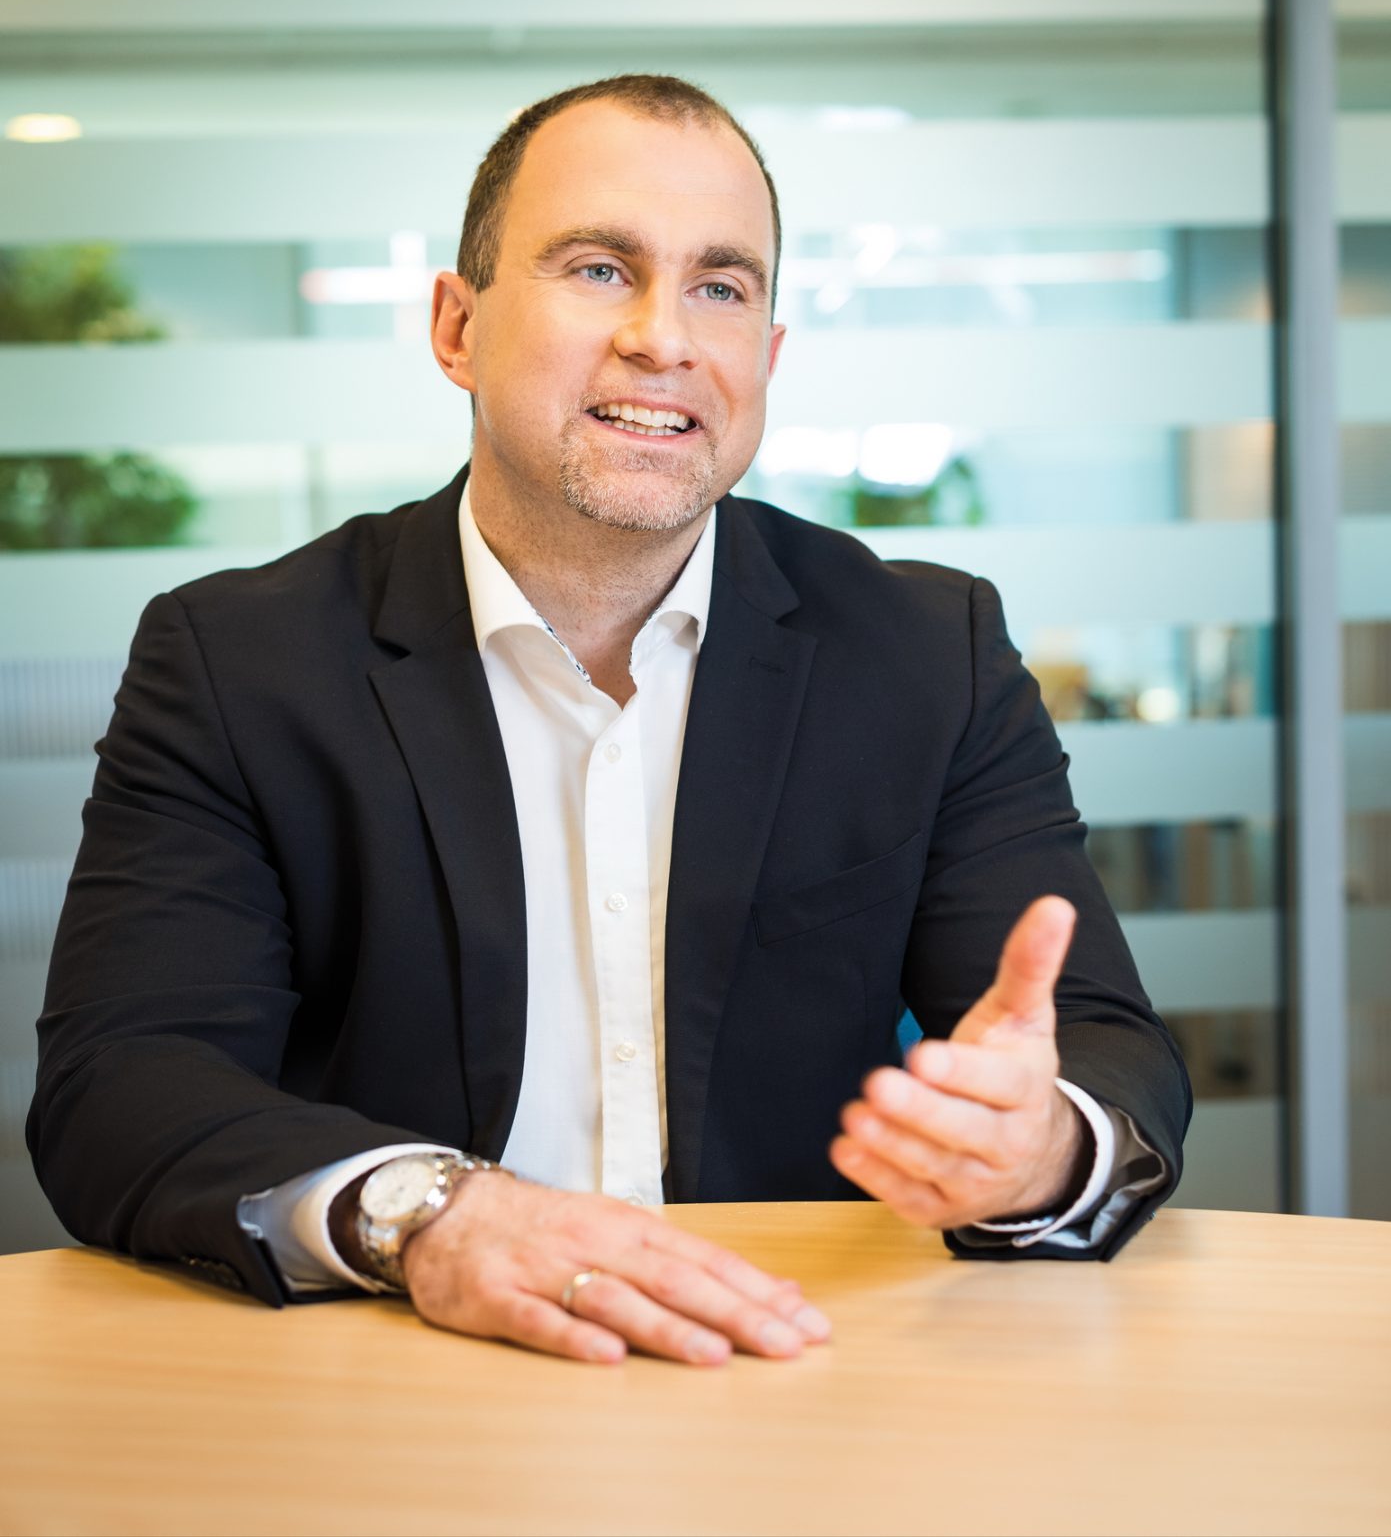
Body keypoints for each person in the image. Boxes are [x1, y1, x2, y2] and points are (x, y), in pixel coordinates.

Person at [29, 74, 1190, 1369]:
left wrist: (1039, 1148)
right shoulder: (241, 661)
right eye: (599, 269)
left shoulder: (927, 652)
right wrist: (433, 1216)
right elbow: (123, 1086)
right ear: (458, 327)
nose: (663, 339)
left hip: (797, 1354)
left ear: (767, 358)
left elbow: (1098, 1048)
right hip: (403, 1361)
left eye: (720, 287)